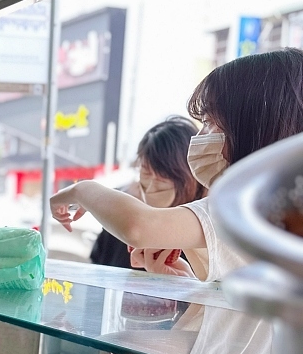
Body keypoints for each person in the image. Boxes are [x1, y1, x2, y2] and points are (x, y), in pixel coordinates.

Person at [52, 48, 303, 281]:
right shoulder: (280, 213)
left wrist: (81, 190)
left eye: (210, 122)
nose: (201, 136)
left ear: (253, 127)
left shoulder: (245, 208)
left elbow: (139, 226)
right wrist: (186, 283)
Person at [90, 117, 205, 268]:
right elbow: (98, 270)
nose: (151, 187)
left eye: (162, 178)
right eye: (145, 172)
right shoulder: (122, 220)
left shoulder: (201, 234)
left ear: (190, 176)